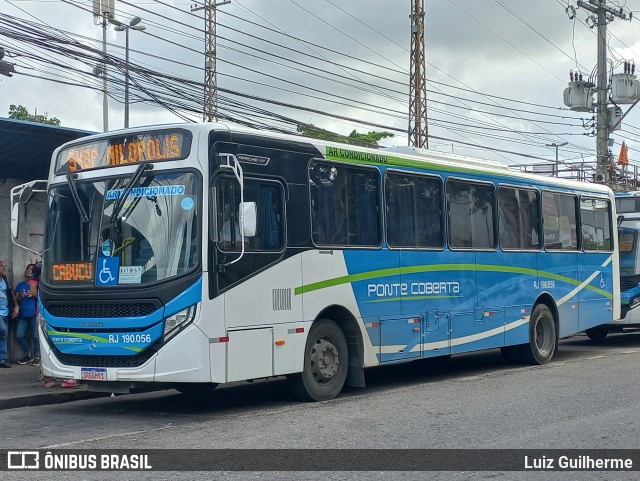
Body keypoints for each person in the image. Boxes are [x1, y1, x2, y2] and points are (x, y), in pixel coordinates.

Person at [15, 264, 40, 366]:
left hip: (34, 314)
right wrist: (21, 295)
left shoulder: (37, 284)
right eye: (28, 269)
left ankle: (37, 356)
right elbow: (17, 300)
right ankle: (28, 354)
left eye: (32, 269)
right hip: (23, 315)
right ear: (25, 272)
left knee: (35, 336)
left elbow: (41, 297)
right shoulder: (20, 285)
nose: (30, 271)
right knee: (19, 335)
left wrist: (33, 294)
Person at [0, 259, 19, 368]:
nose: (4, 268)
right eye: (2, 266)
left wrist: (16, 306)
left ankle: (2, 360)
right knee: (3, 331)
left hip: (5, 312)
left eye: (5, 266)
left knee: (3, 336)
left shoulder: (5, 280)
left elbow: (11, 293)